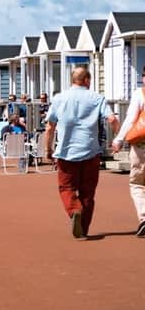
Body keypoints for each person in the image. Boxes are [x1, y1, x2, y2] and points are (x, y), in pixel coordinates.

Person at [45, 67, 119, 239]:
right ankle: (83, 229)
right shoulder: (97, 98)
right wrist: (118, 139)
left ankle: (74, 210)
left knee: (66, 187)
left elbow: (50, 127)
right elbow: (112, 119)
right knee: (88, 192)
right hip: (90, 151)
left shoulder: (59, 98)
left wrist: (48, 149)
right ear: (86, 80)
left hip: (66, 152)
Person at [112, 67, 145, 237]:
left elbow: (131, 118)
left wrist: (119, 139)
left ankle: (144, 217)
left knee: (137, 183)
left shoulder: (140, 94)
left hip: (141, 145)